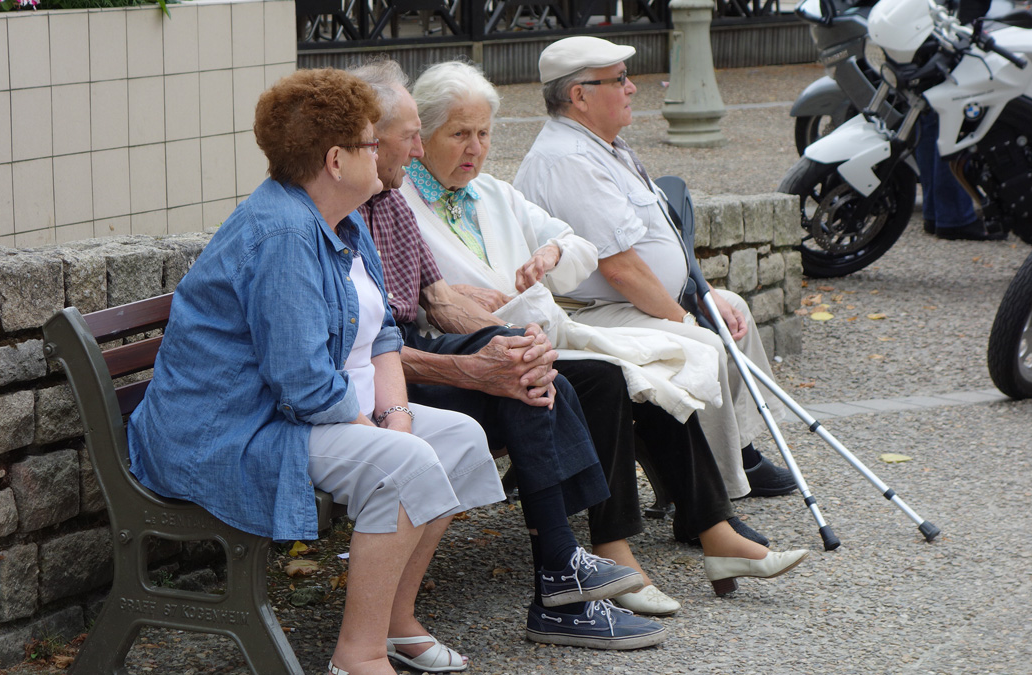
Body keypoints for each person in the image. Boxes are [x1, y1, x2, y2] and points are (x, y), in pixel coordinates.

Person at [354, 58, 808, 613]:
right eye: (458, 134)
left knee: (650, 373)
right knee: (608, 379)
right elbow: (417, 307)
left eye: (483, 134)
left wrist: (549, 253)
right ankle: (612, 549)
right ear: (417, 136)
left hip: (535, 336)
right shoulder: (393, 199)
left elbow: (572, 245)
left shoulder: (490, 193)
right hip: (487, 349)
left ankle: (713, 528)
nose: (473, 147)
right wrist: (483, 320)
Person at [124, 69, 509, 675]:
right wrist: (380, 434)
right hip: (227, 433)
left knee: (456, 439)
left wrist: (397, 416)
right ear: (336, 159)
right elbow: (301, 383)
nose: (381, 152)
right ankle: (358, 656)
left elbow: (382, 331)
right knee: (401, 464)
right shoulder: (282, 234)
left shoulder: (346, 217)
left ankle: (396, 623)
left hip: (280, 415)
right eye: (369, 143)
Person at [345, 60, 672, 653]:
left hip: (402, 362)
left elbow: (437, 298)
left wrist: (514, 340)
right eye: (412, 136)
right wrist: (481, 364)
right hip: (371, 384)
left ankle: (563, 566)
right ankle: (560, 569)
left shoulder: (386, 199)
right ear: (363, 142)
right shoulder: (333, 214)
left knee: (532, 371)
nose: (419, 150)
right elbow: (361, 351)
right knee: (523, 380)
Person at [513, 36, 798, 501]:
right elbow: (621, 269)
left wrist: (700, 294)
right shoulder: (566, 159)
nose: (633, 88)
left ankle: (739, 451)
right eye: (619, 79)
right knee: (703, 340)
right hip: (588, 311)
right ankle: (712, 496)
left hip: (628, 301)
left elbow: (657, 238)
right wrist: (681, 316)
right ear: (579, 95)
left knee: (731, 309)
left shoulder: (604, 145)